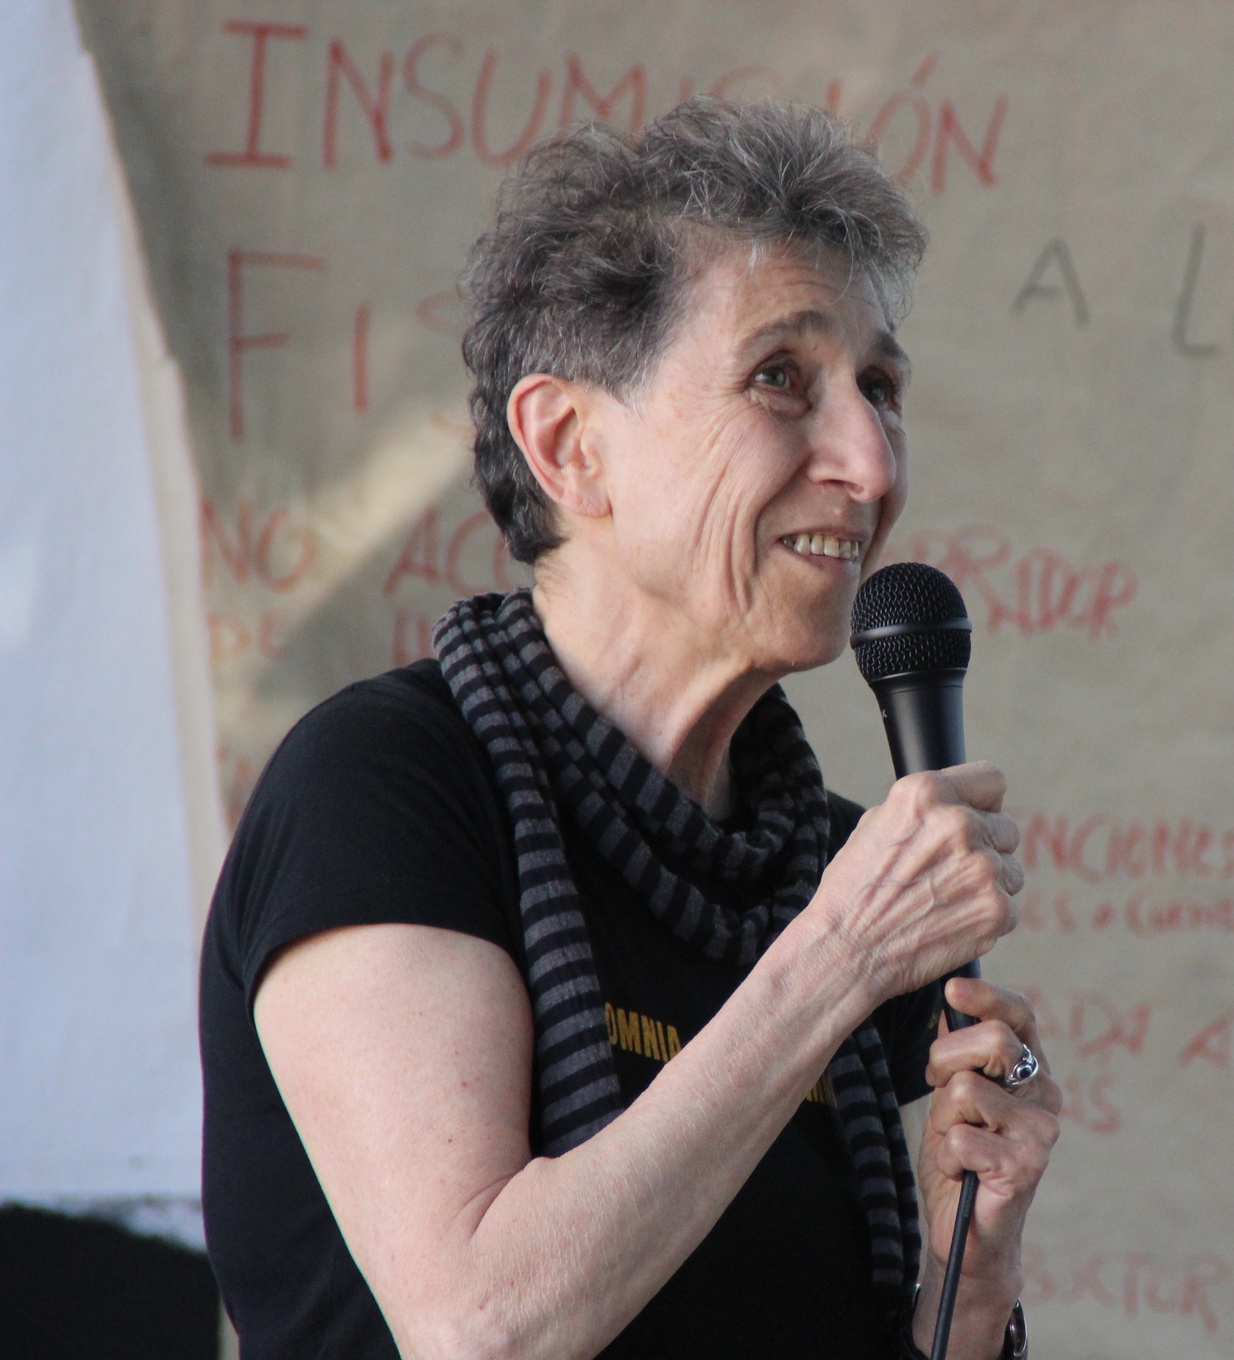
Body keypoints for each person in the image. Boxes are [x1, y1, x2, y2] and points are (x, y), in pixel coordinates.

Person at [200, 99, 1059, 1360]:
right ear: (568, 446)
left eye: (880, 388)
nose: (871, 464)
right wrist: (835, 960)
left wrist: (969, 1287)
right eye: (782, 377)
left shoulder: (832, 873)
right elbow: (480, 1324)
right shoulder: (385, 785)